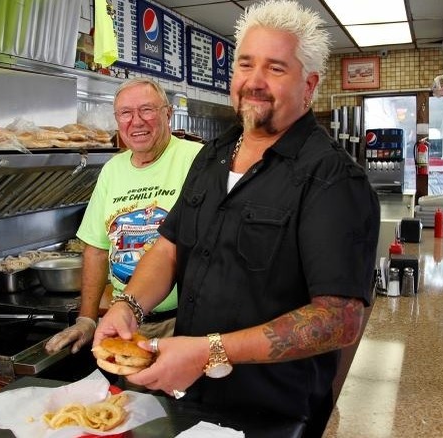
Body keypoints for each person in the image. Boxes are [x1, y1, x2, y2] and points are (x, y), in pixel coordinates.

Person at [92, 1, 380, 437]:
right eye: (246, 64)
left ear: (310, 85)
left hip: (273, 414)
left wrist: (208, 351)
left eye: (276, 68)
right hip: (190, 400)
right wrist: (127, 305)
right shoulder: (211, 157)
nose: (254, 81)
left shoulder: (333, 178)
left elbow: (338, 318)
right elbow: (170, 246)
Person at [45, 78, 203, 355]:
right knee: (132, 397)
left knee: (183, 398)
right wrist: (87, 318)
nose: (136, 121)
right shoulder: (112, 170)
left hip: (186, 323)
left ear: (167, 113)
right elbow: (95, 249)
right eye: (126, 113)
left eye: (147, 110)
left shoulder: (198, 159)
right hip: (126, 325)